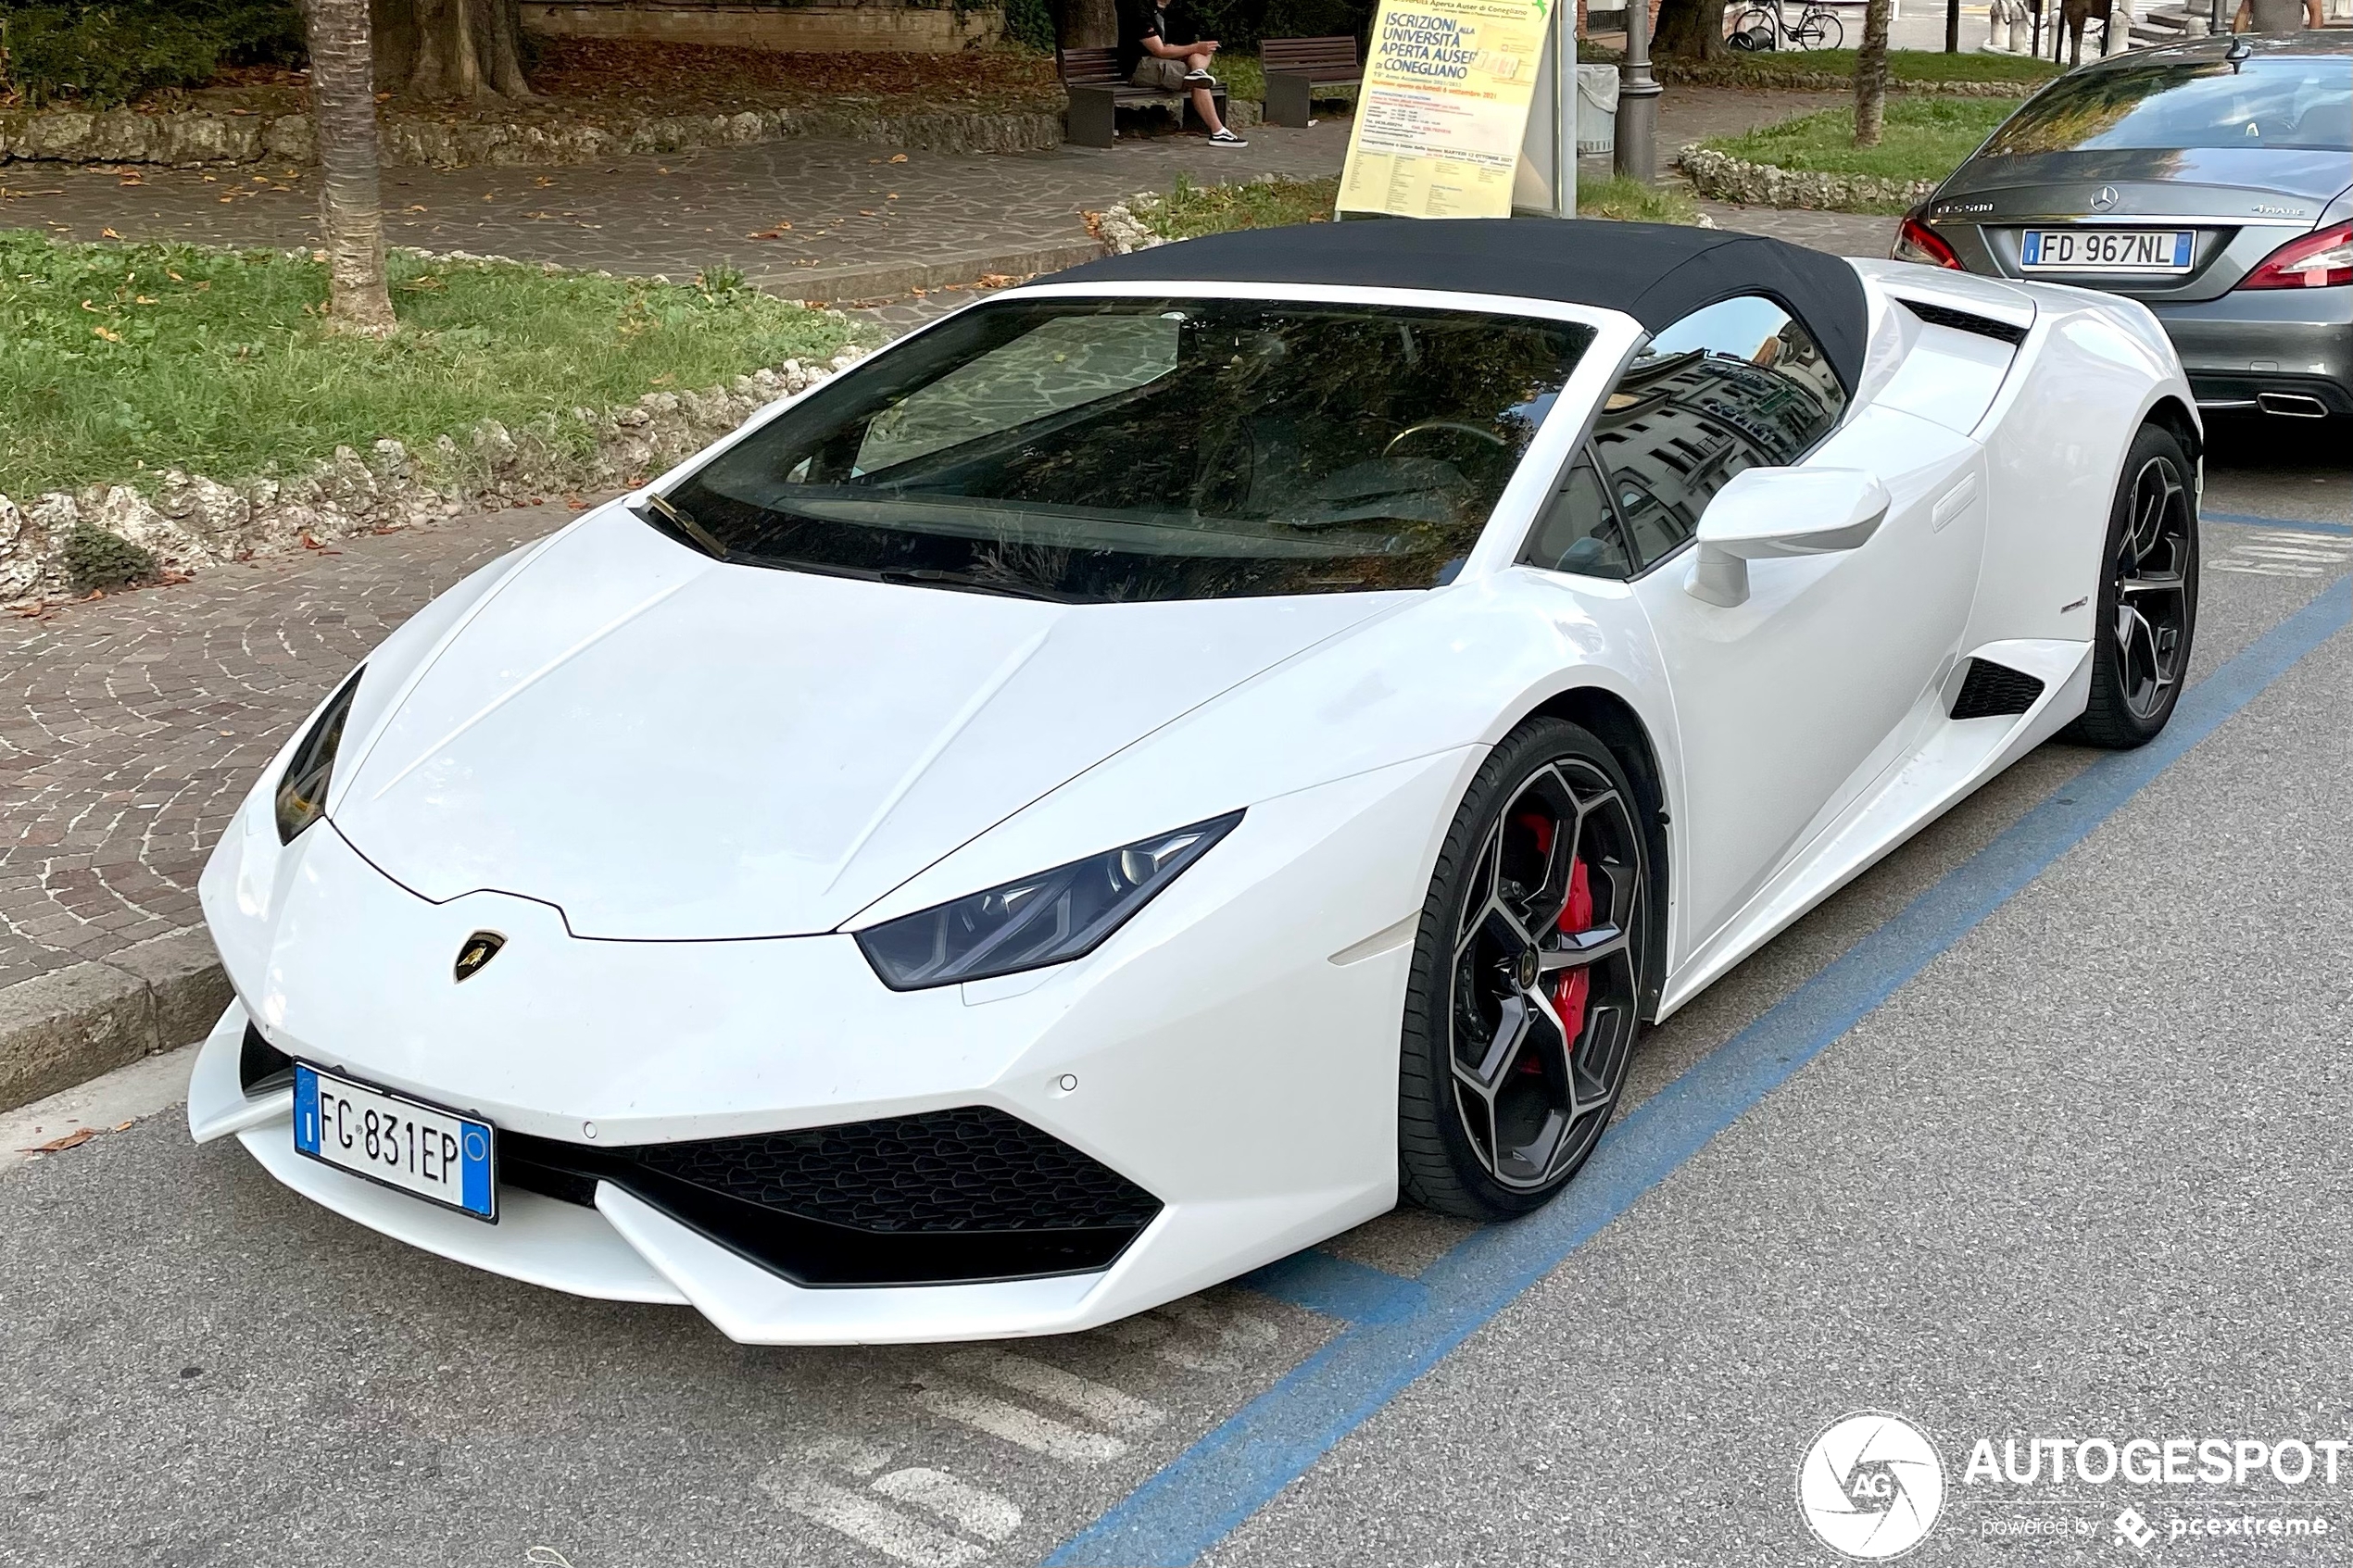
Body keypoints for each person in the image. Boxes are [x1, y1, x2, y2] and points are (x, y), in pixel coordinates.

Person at [1116, 0, 1249, 147]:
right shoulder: (1137, 8)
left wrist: (1194, 48)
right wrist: (1195, 47)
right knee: (1198, 79)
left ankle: (1198, 71)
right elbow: (1158, 50)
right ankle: (1218, 131)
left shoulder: (1166, 11)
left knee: (1204, 56)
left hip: (1157, 60)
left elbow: (1170, 46)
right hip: (1139, 67)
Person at [2233, 0, 2322, 31]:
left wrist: (2311, 41)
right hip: (2259, 44)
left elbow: (2316, 13)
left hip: (2291, 44)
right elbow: (2244, 12)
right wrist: (2236, 39)